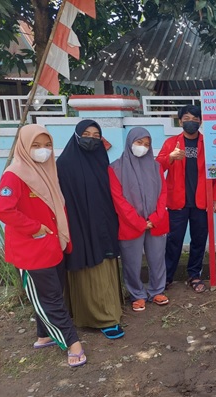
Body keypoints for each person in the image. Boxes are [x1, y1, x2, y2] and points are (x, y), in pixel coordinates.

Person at [0, 124, 86, 367]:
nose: (43, 151)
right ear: (25, 147)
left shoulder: (47, 171)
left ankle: (43, 335)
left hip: (52, 247)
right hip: (32, 251)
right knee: (50, 300)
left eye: (47, 145)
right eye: (36, 146)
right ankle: (73, 343)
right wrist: (34, 228)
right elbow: (4, 209)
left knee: (51, 294)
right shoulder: (14, 175)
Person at [57, 120, 124, 339]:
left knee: (105, 264)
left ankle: (109, 311)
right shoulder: (64, 164)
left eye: (96, 135)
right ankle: (97, 317)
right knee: (87, 268)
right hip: (79, 226)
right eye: (86, 134)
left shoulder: (101, 160)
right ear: (76, 136)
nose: (91, 139)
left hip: (104, 224)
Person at [157, 105, 216, 292]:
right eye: (186, 118)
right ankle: (166, 277)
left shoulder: (209, 144)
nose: (191, 122)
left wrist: (215, 199)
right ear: (180, 121)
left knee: (199, 240)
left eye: (195, 119)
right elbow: (157, 167)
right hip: (177, 202)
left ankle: (194, 275)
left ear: (201, 121)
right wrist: (170, 157)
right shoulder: (171, 143)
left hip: (201, 202)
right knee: (173, 241)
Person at [109, 127, 170, 312]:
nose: (142, 147)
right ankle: (137, 294)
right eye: (138, 143)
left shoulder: (156, 166)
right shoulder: (115, 168)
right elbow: (118, 200)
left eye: (146, 144)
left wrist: (155, 218)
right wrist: (139, 222)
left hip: (156, 222)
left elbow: (163, 193)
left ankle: (157, 290)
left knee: (157, 258)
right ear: (130, 143)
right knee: (131, 261)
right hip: (130, 225)